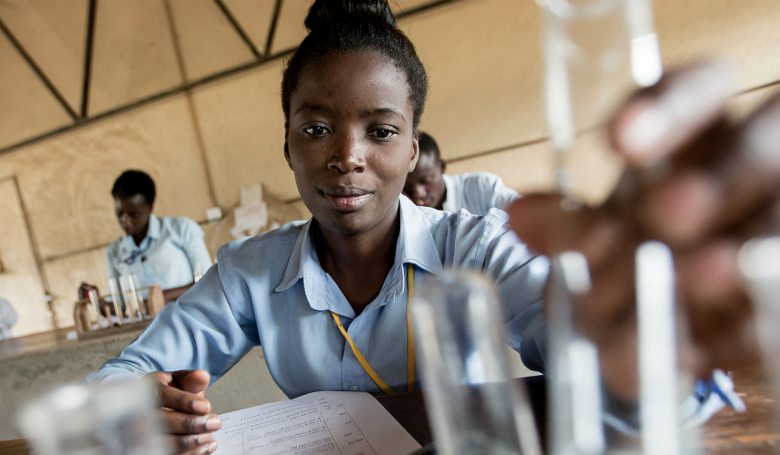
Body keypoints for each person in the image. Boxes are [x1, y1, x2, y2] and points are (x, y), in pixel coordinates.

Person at [85, 2, 776, 455]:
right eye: (316, 127)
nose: (346, 154)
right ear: (288, 145)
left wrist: (648, 324)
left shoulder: (473, 246)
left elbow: (593, 363)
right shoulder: (250, 270)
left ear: (414, 151)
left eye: (381, 130)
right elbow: (117, 381)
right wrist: (140, 404)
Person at [79, 170, 213, 305]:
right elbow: (119, 308)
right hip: (147, 325)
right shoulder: (114, 252)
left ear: (150, 208)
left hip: (188, 317)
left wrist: (162, 296)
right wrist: (96, 300)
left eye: (134, 215)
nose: (126, 221)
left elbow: (209, 279)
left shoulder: (181, 229)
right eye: (120, 213)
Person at [403, 132, 520, 214]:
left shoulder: (481, 188)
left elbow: (526, 217)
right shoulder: (402, 208)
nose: (418, 193)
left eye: (425, 181)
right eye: (407, 186)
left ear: (442, 167)